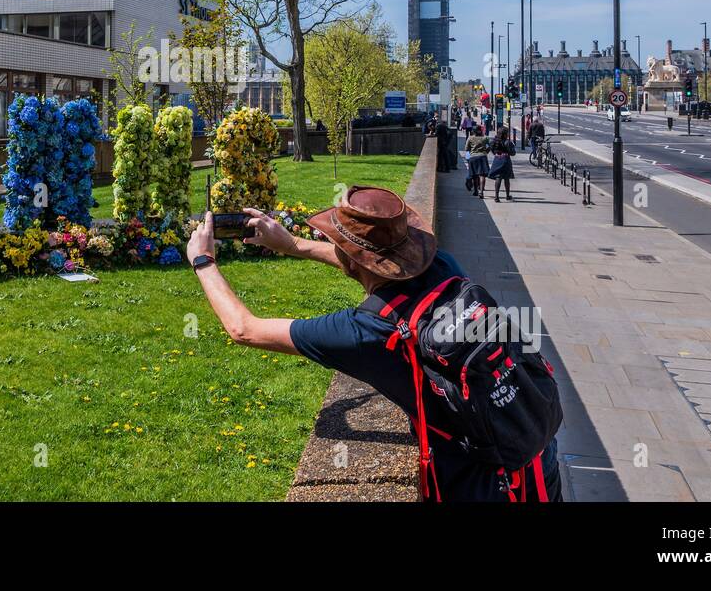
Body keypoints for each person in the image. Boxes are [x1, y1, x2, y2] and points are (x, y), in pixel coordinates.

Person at [182, 187, 562, 501]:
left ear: (352, 261)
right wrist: (295, 245)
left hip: (479, 486)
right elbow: (374, 266)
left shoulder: (367, 330)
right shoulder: (444, 268)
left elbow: (244, 328)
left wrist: (203, 261)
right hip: (538, 452)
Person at [488, 125, 516, 201]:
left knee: (498, 177)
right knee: (506, 178)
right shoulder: (508, 142)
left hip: (497, 159)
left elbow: (492, 151)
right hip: (506, 160)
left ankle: (496, 196)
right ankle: (507, 196)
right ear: (505, 134)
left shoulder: (494, 141)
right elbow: (513, 153)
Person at [464, 126, 490, 197]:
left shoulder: (470, 138)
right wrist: (486, 152)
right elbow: (489, 146)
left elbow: (466, 149)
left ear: (473, 131)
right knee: (482, 175)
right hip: (483, 157)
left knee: (474, 175)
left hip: (473, 157)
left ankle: (475, 191)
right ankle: (481, 192)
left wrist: (470, 155)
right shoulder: (485, 138)